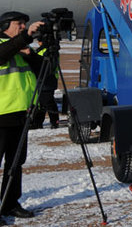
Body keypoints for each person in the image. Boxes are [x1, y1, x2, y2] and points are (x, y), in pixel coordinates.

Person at [0, 11, 44, 219]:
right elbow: (3, 53)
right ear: (5, 26)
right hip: (1, 114)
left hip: (21, 113)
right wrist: (23, 41)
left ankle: (9, 203)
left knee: (16, 163)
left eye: (25, 24)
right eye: (19, 24)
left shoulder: (19, 47)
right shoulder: (5, 45)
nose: (23, 27)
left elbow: (45, 69)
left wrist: (35, 52)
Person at [30, 40, 58, 130]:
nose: (38, 42)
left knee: (48, 102)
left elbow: (51, 66)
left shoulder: (51, 51)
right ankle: (38, 122)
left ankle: (54, 121)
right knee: (40, 103)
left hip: (48, 80)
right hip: (40, 80)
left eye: (39, 40)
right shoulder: (39, 50)